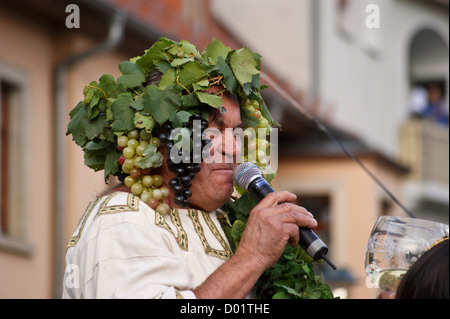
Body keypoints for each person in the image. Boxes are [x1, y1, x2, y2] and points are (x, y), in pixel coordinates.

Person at [63, 38, 318, 299]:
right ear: (161, 139)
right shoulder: (121, 220)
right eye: (213, 129)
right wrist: (252, 257)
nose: (233, 149)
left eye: (236, 131)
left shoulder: (227, 219)